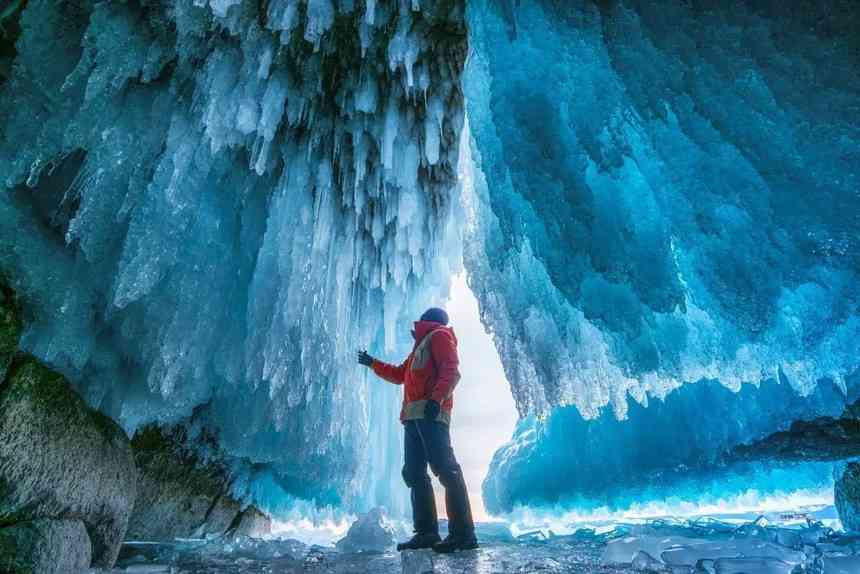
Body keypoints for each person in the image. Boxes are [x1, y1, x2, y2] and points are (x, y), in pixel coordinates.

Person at [357, 307, 478, 553]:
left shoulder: (440, 336)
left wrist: (436, 400)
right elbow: (399, 374)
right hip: (412, 417)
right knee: (414, 473)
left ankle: (464, 534)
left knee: (446, 469)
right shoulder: (420, 347)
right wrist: (373, 363)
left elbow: (451, 370)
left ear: (427, 320)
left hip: (431, 413)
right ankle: (426, 533)